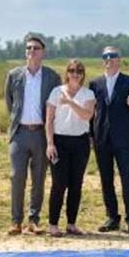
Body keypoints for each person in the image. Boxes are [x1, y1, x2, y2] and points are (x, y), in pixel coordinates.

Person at [5, 35, 61, 235]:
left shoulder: (52, 77)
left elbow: (56, 105)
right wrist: (17, 123)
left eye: (36, 48)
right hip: (20, 133)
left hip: (41, 134)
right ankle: (16, 221)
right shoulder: (14, 75)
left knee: (38, 178)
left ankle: (33, 220)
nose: (31, 51)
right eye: (28, 48)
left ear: (43, 52)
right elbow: (10, 103)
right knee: (17, 176)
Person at [89, 46, 129, 235]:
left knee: (126, 178)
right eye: (105, 56)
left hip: (123, 138)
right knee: (106, 179)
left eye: (113, 56)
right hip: (101, 138)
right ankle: (112, 217)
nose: (109, 59)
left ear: (120, 59)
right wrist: (90, 135)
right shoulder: (95, 83)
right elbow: (90, 113)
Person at [45, 59, 95, 237]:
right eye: (72, 70)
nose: (75, 74)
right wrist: (50, 143)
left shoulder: (88, 94)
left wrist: (71, 102)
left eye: (79, 71)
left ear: (83, 75)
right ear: (67, 73)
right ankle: (53, 224)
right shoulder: (55, 92)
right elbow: (49, 120)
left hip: (80, 143)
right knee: (59, 184)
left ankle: (71, 224)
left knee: (76, 184)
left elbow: (87, 115)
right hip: (60, 142)